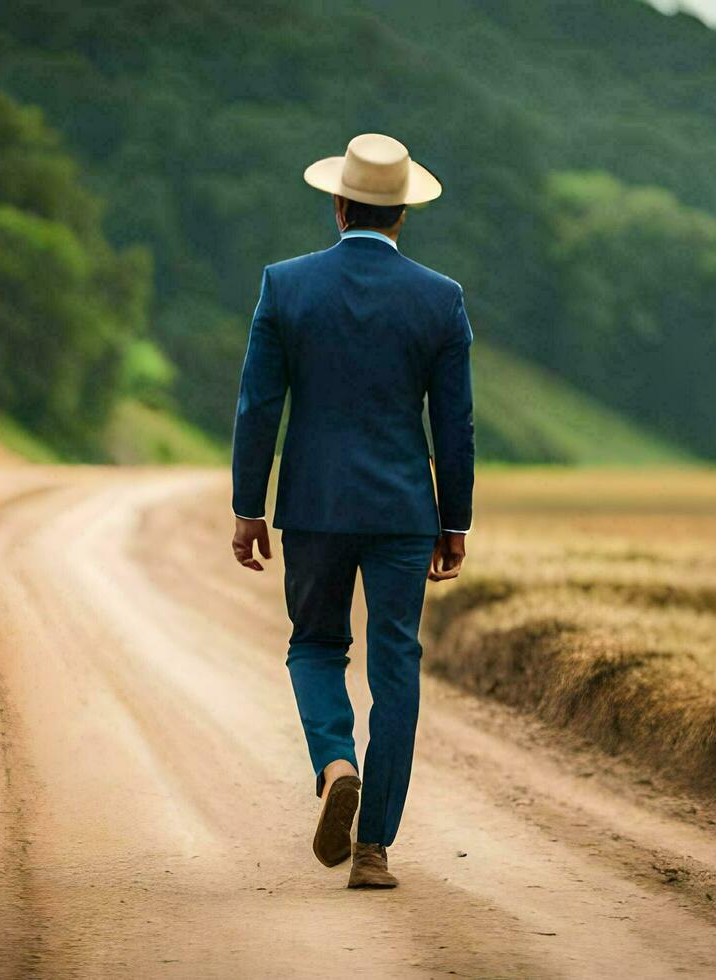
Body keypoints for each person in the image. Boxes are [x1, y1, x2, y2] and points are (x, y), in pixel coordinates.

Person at [229, 133, 475, 889]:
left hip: (314, 504)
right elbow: (454, 423)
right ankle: (372, 851)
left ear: (338, 204)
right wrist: (453, 522)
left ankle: (336, 762)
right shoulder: (441, 298)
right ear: (403, 214)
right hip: (403, 512)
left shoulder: (286, 285)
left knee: (314, 646)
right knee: (395, 664)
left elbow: (257, 405)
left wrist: (249, 507)